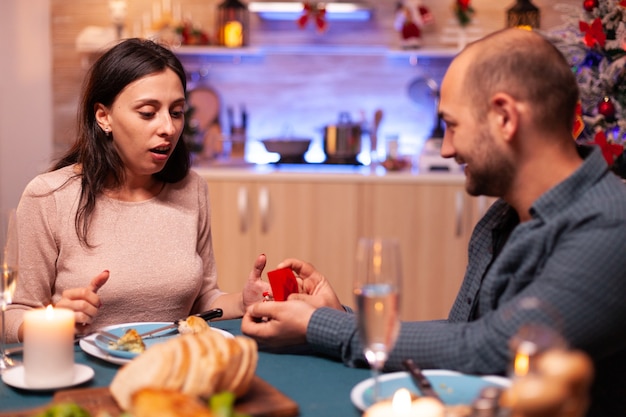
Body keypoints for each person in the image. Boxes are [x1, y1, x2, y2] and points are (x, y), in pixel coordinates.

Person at [241, 28, 626, 416]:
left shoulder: (611, 224)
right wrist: (340, 319)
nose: (446, 148)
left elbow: (490, 348)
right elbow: (461, 338)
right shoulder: (502, 219)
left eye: (452, 124)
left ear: (506, 117)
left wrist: (319, 326)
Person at [5, 38, 268, 343]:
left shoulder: (191, 188)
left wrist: (242, 302)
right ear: (104, 117)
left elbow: (203, 300)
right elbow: (14, 315)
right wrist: (54, 322)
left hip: (174, 370)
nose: (168, 128)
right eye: (147, 113)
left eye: (177, 112)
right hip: (85, 375)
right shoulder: (48, 197)